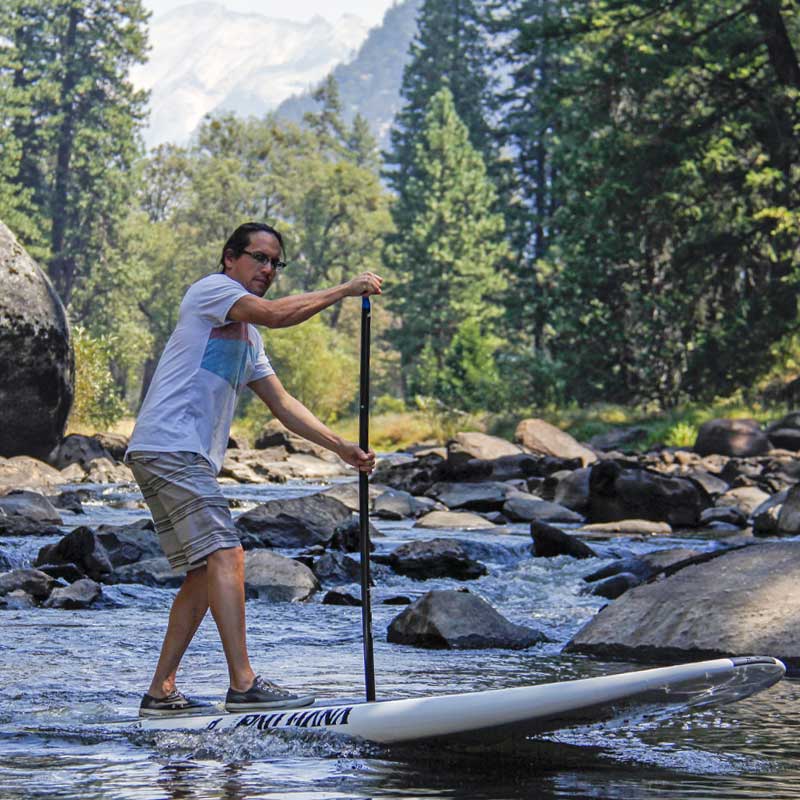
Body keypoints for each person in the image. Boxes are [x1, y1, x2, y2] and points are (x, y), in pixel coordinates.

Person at [125, 221, 383, 717]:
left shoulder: (248, 340)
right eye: (259, 258)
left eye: (274, 263)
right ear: (230, 258)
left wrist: (341, 447)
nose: (267, 269)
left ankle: (161, 692)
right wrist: (345, 289)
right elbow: (275, 315)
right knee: (227, 553)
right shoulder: (211, 291)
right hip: (170, 446)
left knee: (204, 572)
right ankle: (243, 684)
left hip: (175, 453)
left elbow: (282, 403)